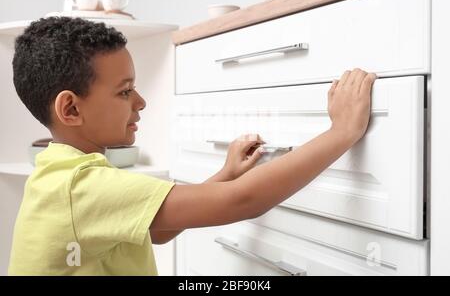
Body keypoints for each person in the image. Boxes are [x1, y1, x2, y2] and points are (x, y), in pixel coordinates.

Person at [8, 17, 376, 275]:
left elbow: (158, 230)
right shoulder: (80, 188)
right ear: (71, 108)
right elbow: (244, 201)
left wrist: (226, 174)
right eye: (124, 91)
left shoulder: (63, 176)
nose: (140, 102)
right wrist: (341, 132)